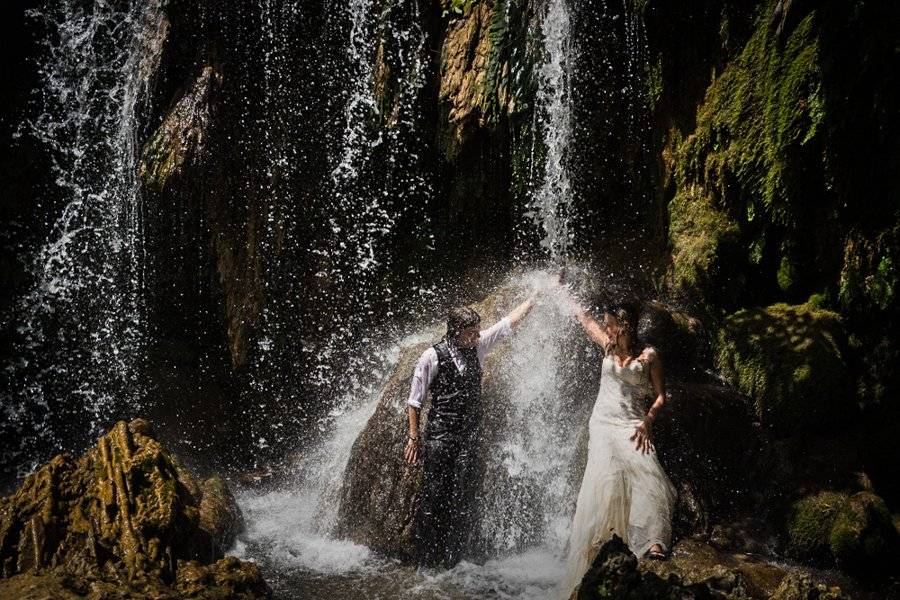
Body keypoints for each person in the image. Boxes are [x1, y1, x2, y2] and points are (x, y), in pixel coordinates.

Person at [404, 297, 535, 567]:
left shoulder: (478, 346)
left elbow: (507, 324)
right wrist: (414, 438)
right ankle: (426, 560)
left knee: (462, 495)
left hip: (469, 437)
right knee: (434, 495)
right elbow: (414, 402)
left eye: (478, 331)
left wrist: (536, 297)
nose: (477, 336)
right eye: (471, 332)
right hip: (440, 436)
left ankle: (455, 560)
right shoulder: (431, 355)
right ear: (455, 332)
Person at [559, 296, 676, 597]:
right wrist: (562, 294)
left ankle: (653, 540)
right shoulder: (607, 345)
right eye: (606, 326)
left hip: (633, 424)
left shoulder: (649, 355)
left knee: (649, 473)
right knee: (605, 478)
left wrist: (648, 421)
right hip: (602, 422)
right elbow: (585, 321)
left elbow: (661, 396)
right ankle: (601, 545)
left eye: (611, 325)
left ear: (624, 326)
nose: (607, 330)